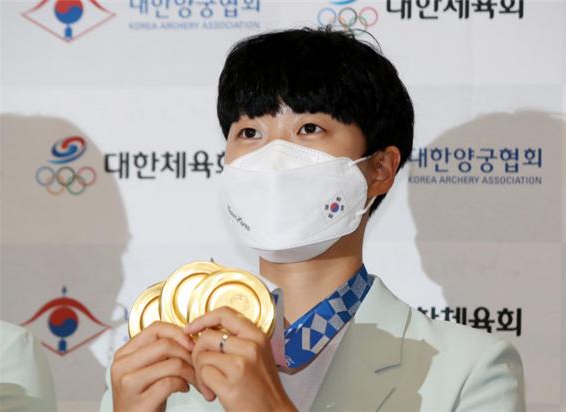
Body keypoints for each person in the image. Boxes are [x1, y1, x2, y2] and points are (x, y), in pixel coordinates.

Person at [101, 27, 526, 411]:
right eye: (250, 133)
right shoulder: (161, 359)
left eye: (308, 129)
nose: (274, 158)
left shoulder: (470, 369)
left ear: (379, 168)